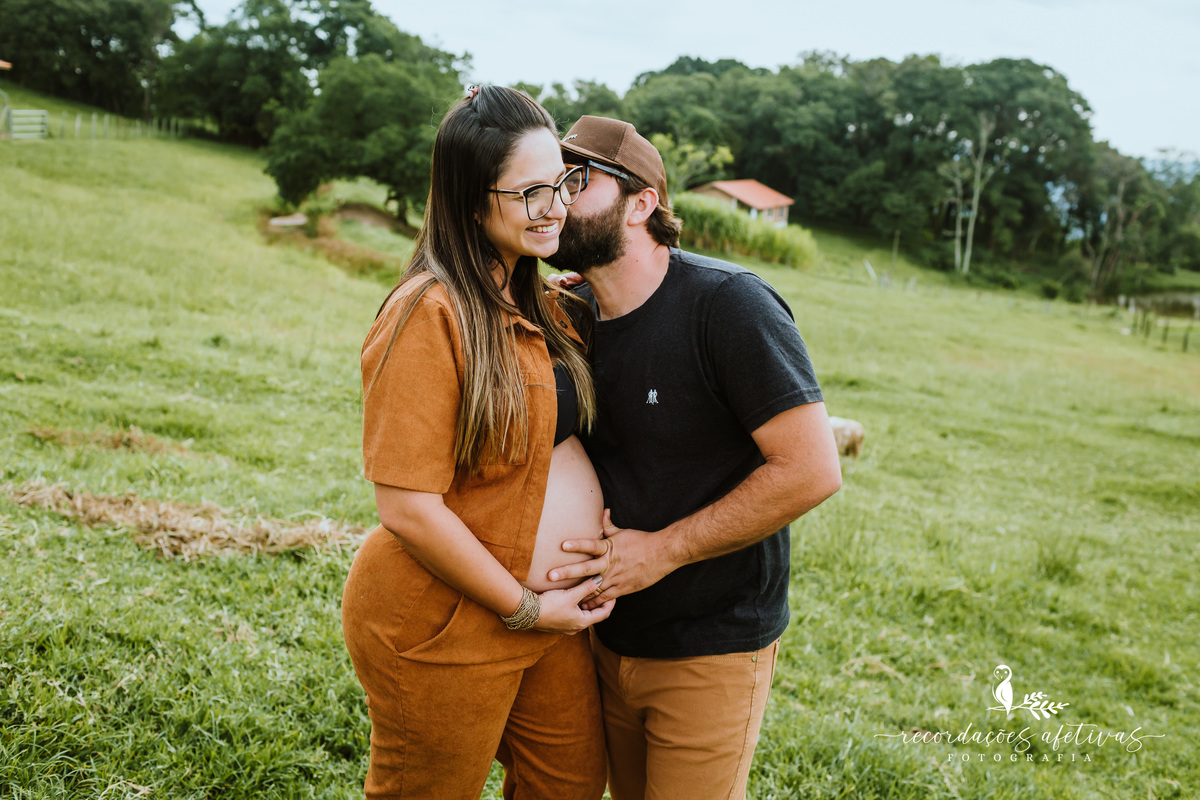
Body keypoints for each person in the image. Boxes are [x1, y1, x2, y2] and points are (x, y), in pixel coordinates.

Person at [543, 116, 843, 800]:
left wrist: (664, 551)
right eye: (551, 183)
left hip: (711, 645)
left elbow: (812, 469)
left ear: (642, 203)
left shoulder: (728, 306)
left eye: (576, 181)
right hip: (603, 636)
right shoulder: (573, 315)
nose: (556, 200)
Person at [340, 87, 614, 800]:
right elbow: (407, 506)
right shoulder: (427, 314)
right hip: (451, 617)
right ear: (468, 200)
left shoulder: (546, 304)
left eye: (562, 183)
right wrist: (525, 606)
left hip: (550, 620)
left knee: (570, 785)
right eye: (530, 193)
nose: (556, 206)